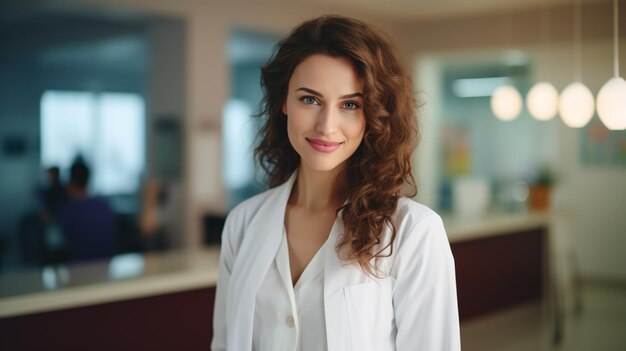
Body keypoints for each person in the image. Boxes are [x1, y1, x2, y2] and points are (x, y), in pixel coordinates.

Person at [212, 15, 460, 351]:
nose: (327, 126)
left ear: (372, 114)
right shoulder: (242, 223)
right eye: (310, 99)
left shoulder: (414, 232)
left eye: (349, 105)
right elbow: (226, 342)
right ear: (284, 101)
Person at [58, 158, 117, 262]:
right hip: (107, 268)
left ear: (70, 183)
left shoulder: (68, 211)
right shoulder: (105, 206)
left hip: (79, 270)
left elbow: (61, 244)